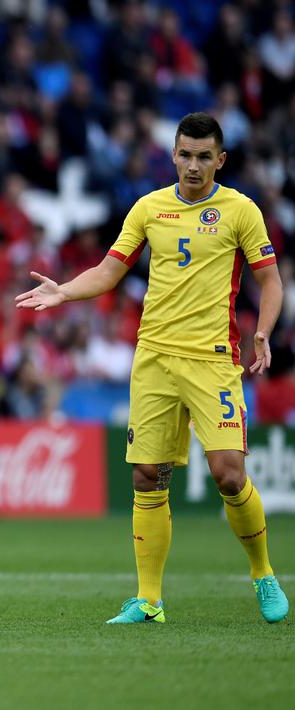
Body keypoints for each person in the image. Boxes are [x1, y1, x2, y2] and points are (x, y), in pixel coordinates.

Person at [16, 112, 288, 624]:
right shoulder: (148, 208)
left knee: (229, 475)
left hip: (212, 359)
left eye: (204, 156)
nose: (192, 165)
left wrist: (262, 331)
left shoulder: (241, 211)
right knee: (146, 476)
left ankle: (263, 574)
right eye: (185, 154)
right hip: (156, 358)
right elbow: (108, 271)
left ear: (220, 160)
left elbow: (270, 282)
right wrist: (64, 291)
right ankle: (149, 600)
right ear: (173, 155)